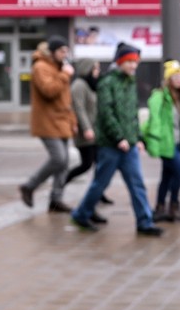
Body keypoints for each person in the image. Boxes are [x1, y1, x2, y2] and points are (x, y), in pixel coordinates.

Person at [70, 43, 163, 236]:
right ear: (120, 62)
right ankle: (81, 214)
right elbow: (106, 113)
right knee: (100, 184)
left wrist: (138, 138)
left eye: (135, 62)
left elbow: (132, 114)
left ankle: (144, 222)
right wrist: (118, 137)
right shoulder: (107, 83)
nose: (133, 66)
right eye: (129, 62)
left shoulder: (130, 82)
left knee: (137, 183)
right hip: (110, 146)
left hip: (128, 145)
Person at [18, 35, 77, 213]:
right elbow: (49, 91)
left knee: (64, 163)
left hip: (62, 121)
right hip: (47, 122)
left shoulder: (58, 68)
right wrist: (65, 75)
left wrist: (73, 121)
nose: (65, 54)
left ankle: (56, 200)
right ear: (52, 52)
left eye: (66, 51)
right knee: (58, 158)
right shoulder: (40, 67)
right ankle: (29, 185)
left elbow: (66, 100)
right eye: (61, 51)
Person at [143, 60, 180, 222]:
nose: (178, 80)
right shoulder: (159, 96)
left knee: (167, 176)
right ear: (168, 79)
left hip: (177, 143)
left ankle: (161, 208)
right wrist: (153, 141)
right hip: (165, 143)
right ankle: (173, 205)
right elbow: (154, 120)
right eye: (175, 76)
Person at [63, 58, 113, 204]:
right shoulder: (79, 85)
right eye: (95, 68)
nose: (97, 71)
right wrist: (87, 128)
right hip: (85, 133)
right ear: (87, 69)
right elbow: (79, 109)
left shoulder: (91, 85)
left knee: (100, 163)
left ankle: (98, 192)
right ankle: (61, 183)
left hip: (95, 132)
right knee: (86, 164)